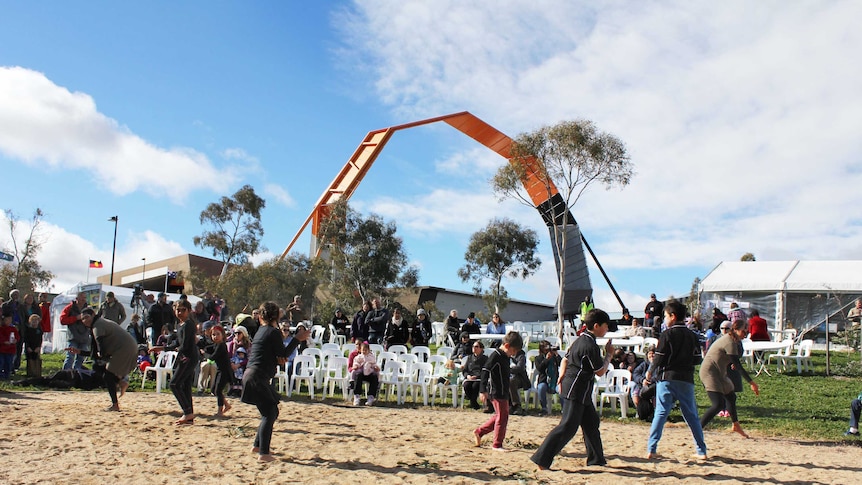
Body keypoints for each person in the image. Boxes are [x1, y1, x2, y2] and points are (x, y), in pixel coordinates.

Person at [531, 309, 614, 470]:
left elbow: (565, 360)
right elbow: (600, 371)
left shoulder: (580, 340)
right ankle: (541, 459)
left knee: (591, 423)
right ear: (596, 326)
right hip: (576, 390)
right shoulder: (590, 345)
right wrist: (609, 355)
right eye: (605, 326)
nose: (607, 329)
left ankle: (596, 459)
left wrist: (561, 378)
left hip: (578, 389)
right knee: (568, 426)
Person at [240, 301, 309, 462]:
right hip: (258, 376)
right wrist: (297, 339)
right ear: (275, 315)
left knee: (271, 411)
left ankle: (258, 445)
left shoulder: (262, 331)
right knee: (269, 412)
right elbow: (284, 355)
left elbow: (279, 357)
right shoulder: (272, 332)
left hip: (253, 375)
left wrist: (282, 356)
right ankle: (263, 453)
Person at [644, 300, 707, 460]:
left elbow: (659, 358)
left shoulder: (667, 334)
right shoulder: (692, 335)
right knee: (691, 415)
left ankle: (652, 449)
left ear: (672, 316)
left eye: (665, 316)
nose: (664, 319)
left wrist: (650, 372)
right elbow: (697, 359)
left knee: (661, 412)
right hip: (686, 378)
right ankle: (701, 450)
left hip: (667, 377)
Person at [699, 318, 760, 437]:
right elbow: (738, 365)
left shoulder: (735, 340)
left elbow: (734, 359)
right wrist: (752, 383)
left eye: (747, 332)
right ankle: (698, 428)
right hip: (709, 372)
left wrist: (732, 361)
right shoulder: (730, 341)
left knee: (731, 396)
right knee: (718, 405)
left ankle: (735, 425)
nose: (745, 334)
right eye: (743, 332)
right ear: (736, 330)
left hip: (720, 372)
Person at [474, 331, 524, 451]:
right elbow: (485, 370)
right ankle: (497, 444)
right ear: (507, 346)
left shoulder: (506, 356)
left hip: (504, 391)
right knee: (502, 418)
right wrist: (482, 390)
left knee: (500, 416)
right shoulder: (496, 355)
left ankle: (479, 432)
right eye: (513, 351)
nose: (513, 354)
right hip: (496, 391)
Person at [80, 307, 137, 411]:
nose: (85, 321)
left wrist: (102, 357)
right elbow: (97, 352)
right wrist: (79, 352)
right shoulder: (99, 323)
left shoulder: (97, 326)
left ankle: (115, 404)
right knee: (98, 367)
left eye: (86, 317)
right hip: (126, 348)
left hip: (124, 349)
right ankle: (121, 381)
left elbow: (100, 345)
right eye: (82, 319)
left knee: (107, 376)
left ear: (93, 315)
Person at [166, 299, 198, 425]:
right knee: (185, 387)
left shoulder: (189, 325)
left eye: (183, 310)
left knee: (174, 384)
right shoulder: (179, 325)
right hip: (185, 356)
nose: (179, 312)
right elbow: (177, 342)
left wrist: (177, 354)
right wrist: (163, 348)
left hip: (188, 357)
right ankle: (189, 416)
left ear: (188, 311)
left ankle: (187, 412)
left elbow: (184, 345)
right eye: (177, 310)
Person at [59, 292, 91, 370]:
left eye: (85, 298)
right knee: (70, 356)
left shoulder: (88, 309)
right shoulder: (69, 308)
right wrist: (75, 318)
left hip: (84, 337)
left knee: (80, 358)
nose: (83, 300)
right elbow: (62, 320)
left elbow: (93, 321)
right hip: (73, 337)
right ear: (77, 299)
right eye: (82, 298)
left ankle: (77, 375)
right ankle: (66, 375)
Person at [210, 325, 233, 417]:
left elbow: (213, 357)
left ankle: (220, 411)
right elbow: (209, 347)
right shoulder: (216, 344)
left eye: (218, 334)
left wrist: (205, 354)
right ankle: (227, 405)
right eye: (213, 334)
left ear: (223, 335)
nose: (215, 336)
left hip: (225, 371)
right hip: (220, 371)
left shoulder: (221, 345)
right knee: (214, 390)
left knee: (218, 390)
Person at [534, 340, 562, 415]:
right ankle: (544, 408)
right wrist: (546, 360)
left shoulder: (555, 357)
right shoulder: (538, 358)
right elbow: (540, 369)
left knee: (561, 389)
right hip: (544, 381)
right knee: (541, 387)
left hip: (555, 380)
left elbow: (562, 364)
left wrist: (556, 355)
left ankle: (564, 409)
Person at [350, 341, 381, 406]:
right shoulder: (359, 357)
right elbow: (356, 363)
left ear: (369, 350)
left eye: (365, 350)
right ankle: (357, 397)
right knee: (358, 375)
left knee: (374, 376)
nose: (364, 351)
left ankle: (371, 397)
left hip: (369, 372)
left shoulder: (371, 357)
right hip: (361, 372)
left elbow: (374, 363)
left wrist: (375, 367)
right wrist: (356, 366)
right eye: (363, 350)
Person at [461, 339, 488, 410]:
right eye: (473, 346)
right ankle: (473, 402)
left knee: (475, 385)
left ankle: (473, 403)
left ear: (481, 348)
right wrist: (468, 376)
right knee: (466, 385)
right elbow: (465, 370)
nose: (474, 348)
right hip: (470, 377)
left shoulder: (485, 358)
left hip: (479, 378)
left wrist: (477, 376)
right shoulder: (470, 357)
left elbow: (485, 370)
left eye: (476, 346)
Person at [631, 346, 655, 421]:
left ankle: (654, 414)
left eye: (654, 354)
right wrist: (642, 380)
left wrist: (650, 381)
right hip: (642, 385)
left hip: (654, 386)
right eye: (650, 354)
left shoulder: (659, 366)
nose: (652, 356)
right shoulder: (643, 365)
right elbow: (635, 374)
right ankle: (640, 411)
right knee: (635, 394)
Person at [509, 345, 530, 415]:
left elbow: (520, 368)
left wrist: (508, 370)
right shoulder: (505, 355)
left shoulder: (521, 356)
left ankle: (516, 405)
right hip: (507, 376)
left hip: (520, 378)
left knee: (511, 381)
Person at [0, 306, 21, 380]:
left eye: (10, 320)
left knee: (9, 363)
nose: (8, 321)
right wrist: (4, 341)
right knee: (1, 362)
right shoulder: (1, 329)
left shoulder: (13, 329)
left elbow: (17, 336)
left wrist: (16, 340)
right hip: (2, 349)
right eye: (6, 320)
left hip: (11, 350)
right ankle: (1, 375)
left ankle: (7, 375)